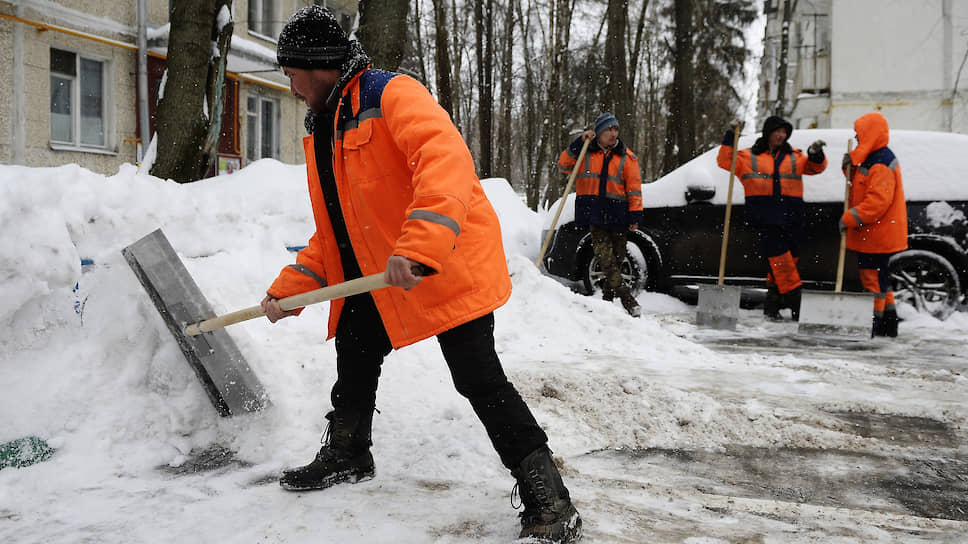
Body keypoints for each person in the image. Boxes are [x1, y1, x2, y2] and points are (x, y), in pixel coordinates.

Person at [261, 6, 581, 543]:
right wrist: (288, 291)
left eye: (289, 73)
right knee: (356, 344)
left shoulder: (391, 94)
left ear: (313, 64)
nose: (289, 86)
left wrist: (420, 246)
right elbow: (339, 233)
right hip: (389, 271)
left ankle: (547, 495)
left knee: (477, 376)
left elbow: (445, 164)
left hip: (448, 258)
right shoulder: (325, 131)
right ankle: (348, 453)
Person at [718, 116, 828, 320]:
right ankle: (797, 304)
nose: (781, 135)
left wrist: (816, 154)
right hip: (765, 217)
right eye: (777, 131)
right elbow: (725, 161)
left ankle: (772, 304)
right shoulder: (748, 157)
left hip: (792, 216)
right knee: (781, 260)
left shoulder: (795, 156)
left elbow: (815, 168)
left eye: (784, 132)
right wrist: (730, 136)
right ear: (768, 133)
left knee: (787, 260)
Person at [557, 113, 643, 317]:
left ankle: (607, 304)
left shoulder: (627, 158)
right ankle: (628, 300)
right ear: (599, 133)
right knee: (606, 260)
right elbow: (563, 165)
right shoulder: (586, 151)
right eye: (608, 130)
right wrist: (579, 142)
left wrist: (635, 216)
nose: (613, 134)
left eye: (616, 130)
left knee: (617, 261)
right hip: (595, 214)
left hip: (618, 216)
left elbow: (634, 189)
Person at [839, 112, 908, 337]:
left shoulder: (880, 162)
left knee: (872, 281)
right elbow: (858, 183)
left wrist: (849, 218)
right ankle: (889, 324)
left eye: (860, 135)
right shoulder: (872, 158)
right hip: (875, 234)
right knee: (881, 279)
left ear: (870, 134)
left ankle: (874, 326)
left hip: (877, 235)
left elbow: (877, 203)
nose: (857, 139)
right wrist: (849, 165)